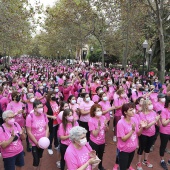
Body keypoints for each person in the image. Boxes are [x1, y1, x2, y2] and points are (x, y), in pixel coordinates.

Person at [117, 103, 147, 170]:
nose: (133, 111)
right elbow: (123, 139)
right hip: (124, 150)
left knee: (127, 166)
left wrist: (142, 127)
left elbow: (138, 134)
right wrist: (132, 131)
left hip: (132, 149)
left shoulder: (134, 120)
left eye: (133, 109)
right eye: (130, 110)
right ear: (125, 112)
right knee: (123, 168)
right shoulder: (120, 123)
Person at [136, 99, 160, 170]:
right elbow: (145, 127)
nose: (151, 105)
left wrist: (158, 120)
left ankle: (145, 160)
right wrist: (155, 120)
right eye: (149, 104)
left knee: (148, 148)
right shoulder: (141, 114)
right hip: (144, 134)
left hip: (152, 133)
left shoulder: (153, 112)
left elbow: (158, 124)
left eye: (151, 103)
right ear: (145, 106)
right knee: (141, 148)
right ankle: (138, 162)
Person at [26, 100, 49, 170]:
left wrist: (46, 138)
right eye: (39, 107)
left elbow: (47, 128)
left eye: (42, 107)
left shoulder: (44, 115)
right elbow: (28, 131)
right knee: (36, 159)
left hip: (42, 141)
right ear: (35, 108)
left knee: (40, 156)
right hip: (34, 142)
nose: (41, 108)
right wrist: (36, 143)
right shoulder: (30, 117)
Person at [88, 104, 109, 170]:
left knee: (101, 155)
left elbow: (107, 130)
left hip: (102, 141)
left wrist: (106, 125)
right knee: (93, 157)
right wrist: (99, 127)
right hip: (94, 142)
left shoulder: (103, 118)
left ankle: (100, 167)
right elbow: (94, 134)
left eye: (100, 110)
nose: (100, 111)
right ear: (94, 112)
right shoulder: (91, 120)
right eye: (98, 110)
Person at [159, 98, 170, 170]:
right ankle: (162, 160)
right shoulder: (164, 110)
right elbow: (164, 123)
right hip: (165, 131)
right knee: (163, 145)